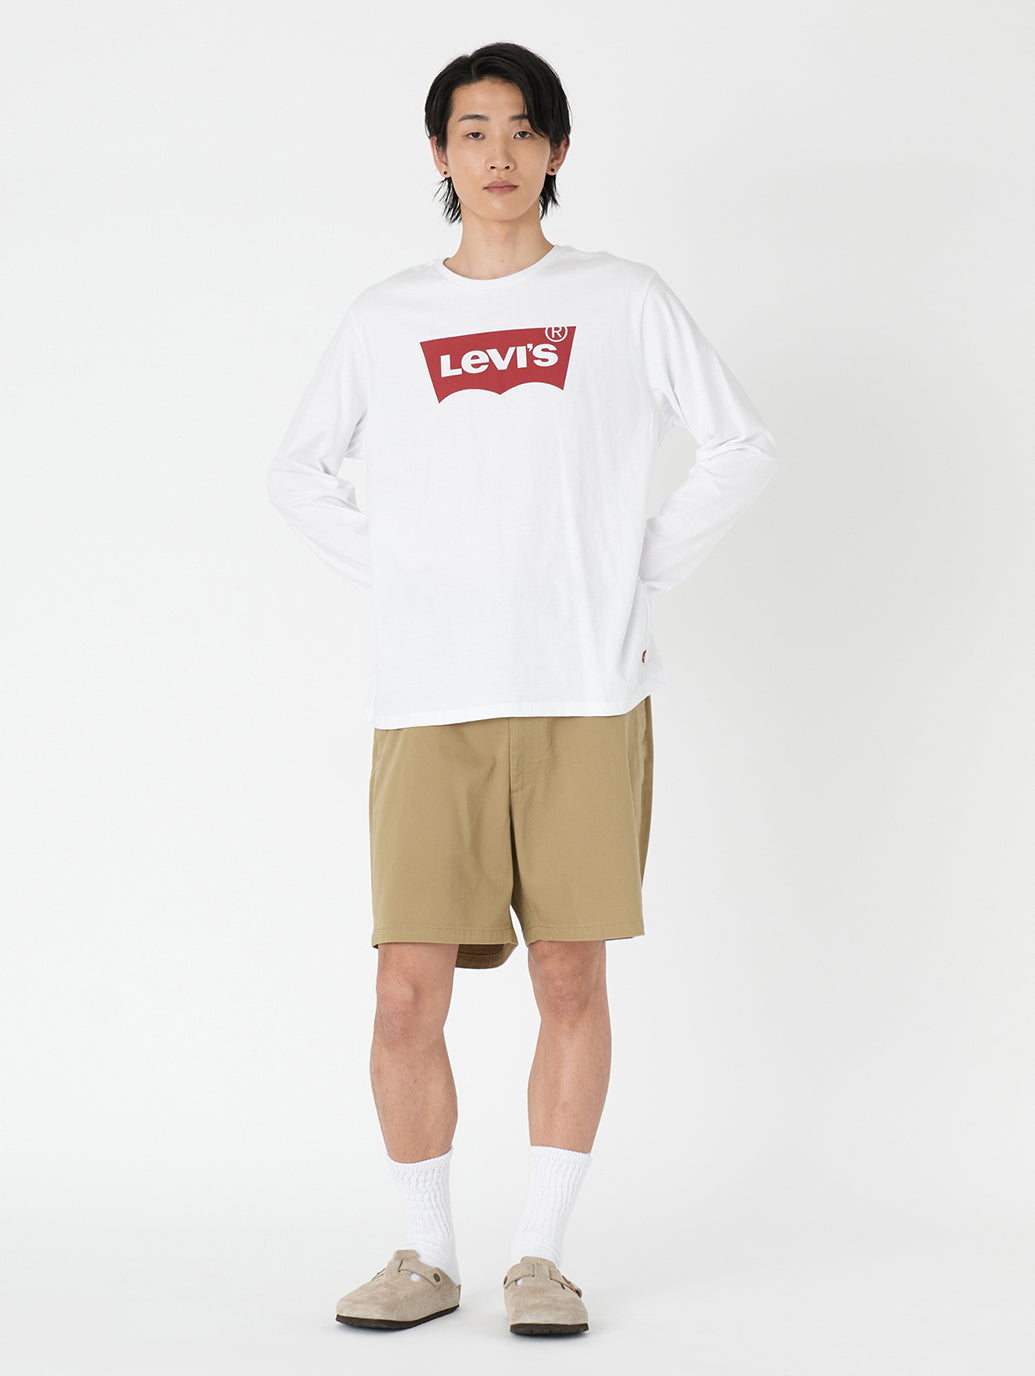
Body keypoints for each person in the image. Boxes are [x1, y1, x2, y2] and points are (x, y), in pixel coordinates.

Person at [266, 40, 782, 1338]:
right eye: (472, 130)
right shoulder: (387, 319)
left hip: (585, 694)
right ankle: (425, 1253)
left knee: (568, 974)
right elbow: (297, 473)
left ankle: (540, 1255)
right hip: (428, 699)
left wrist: (635, 569)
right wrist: (407, 576)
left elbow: (740, 443)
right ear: (440, 155)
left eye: (520, 129)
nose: (497, 154)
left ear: (555, 149)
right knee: (404, 990)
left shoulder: (622, 298)